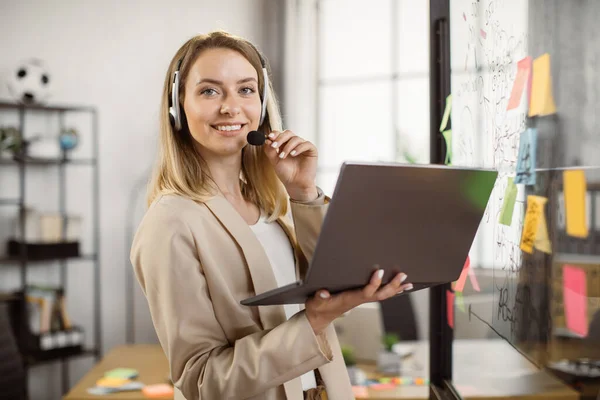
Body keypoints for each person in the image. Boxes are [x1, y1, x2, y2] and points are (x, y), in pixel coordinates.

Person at [130, 31, 413, 400]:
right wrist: (315, 321)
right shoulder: (170, 222)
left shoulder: (271, 202)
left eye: (246, 90)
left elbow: (332, 284)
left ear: (262, 104)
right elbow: (201, 382)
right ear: (176, 106)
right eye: (210, 91)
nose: (231, 107)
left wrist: (304, 193)